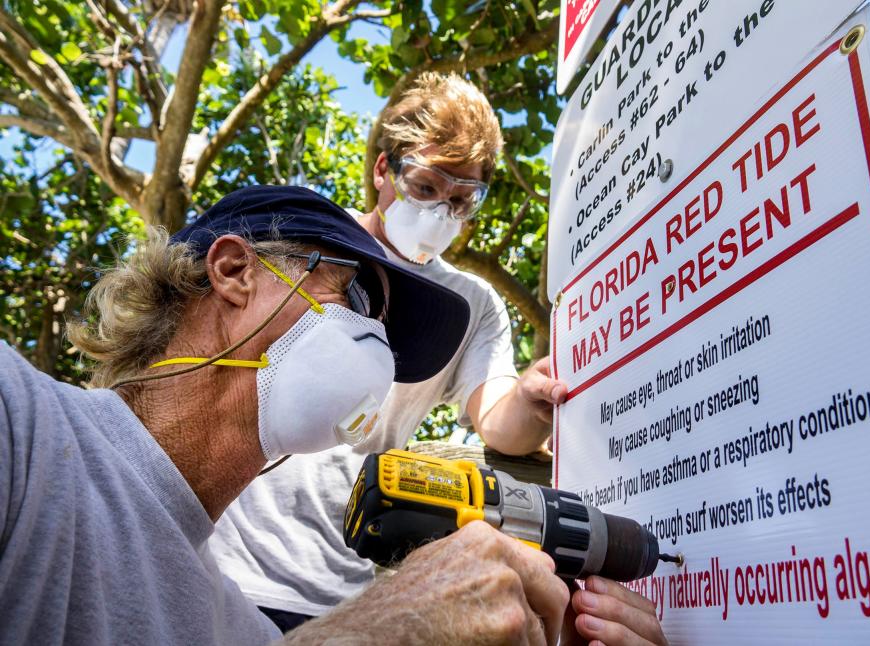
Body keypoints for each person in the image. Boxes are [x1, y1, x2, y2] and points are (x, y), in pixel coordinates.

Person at [0, 185, 583, 645]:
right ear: (233, 271)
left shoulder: (232, 624)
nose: (373, 344)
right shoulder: (22, 426)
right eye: (353, 300)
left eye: (380, 326)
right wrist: (386, 632)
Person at [209, 73, 666, 645]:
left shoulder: (470, 304)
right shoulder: (305, 242)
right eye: (425, 186)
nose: (439, 212)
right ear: (383, 171)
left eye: (461, 200)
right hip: (226, 566)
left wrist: (529, 398)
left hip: (346, 583)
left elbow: (496, 418)